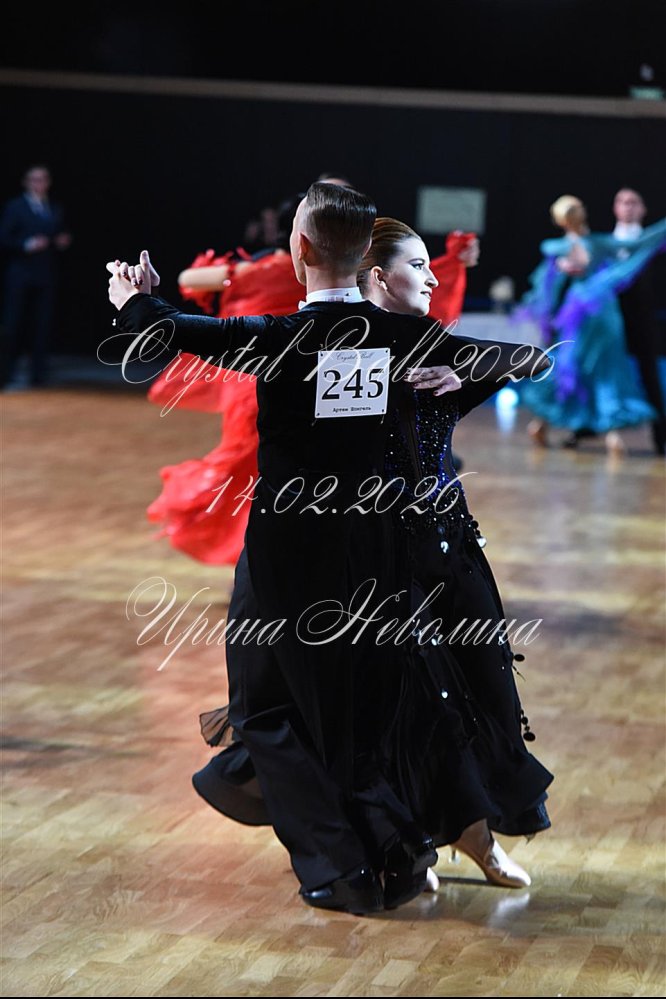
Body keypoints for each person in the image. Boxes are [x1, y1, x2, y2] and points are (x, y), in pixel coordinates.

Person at [107, 183, 551, 914]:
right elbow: (530, 357)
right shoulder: (405, 335)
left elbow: (161, 334)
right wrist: (463, 369)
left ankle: (342, 867)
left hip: (291, 555)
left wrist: (133, 297)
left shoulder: (279, 336)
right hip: (379, 549)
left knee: (264, 709)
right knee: (358, 710)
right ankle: (392, 858)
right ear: (363, 256)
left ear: (300, 249)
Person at [519, 195, 665, 454]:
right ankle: (611, 434)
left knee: (571, 367)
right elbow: (638, 244)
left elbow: (550, 283)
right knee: (606, 370)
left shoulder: (558, 247)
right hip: (601, 311)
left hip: (577, 313)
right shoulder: (597, 243)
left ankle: (543, 423)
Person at [0, 165, 71, 388]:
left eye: (42, 179)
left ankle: (38, 374)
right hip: (20, 273)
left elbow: (57, 233)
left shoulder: (54, 207)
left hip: (45, 274)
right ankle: (6, 372)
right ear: (26, 182)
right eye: (34, 179)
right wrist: (27, 244)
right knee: (13, 323)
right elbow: (4, 237)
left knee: (42, 324)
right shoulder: (15, 207)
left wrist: (61, 241)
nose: (38, 184)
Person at [612, 188, 666, 456]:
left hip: (643, 317)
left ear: (643, 209)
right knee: (602, 371)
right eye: (623, 202)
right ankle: (586, 430)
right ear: (615, 208)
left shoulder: (652, 241)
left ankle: (661, 437)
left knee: (649, 374)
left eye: (634, 202)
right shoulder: (605, 243)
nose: (628, 207)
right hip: (610, 319)